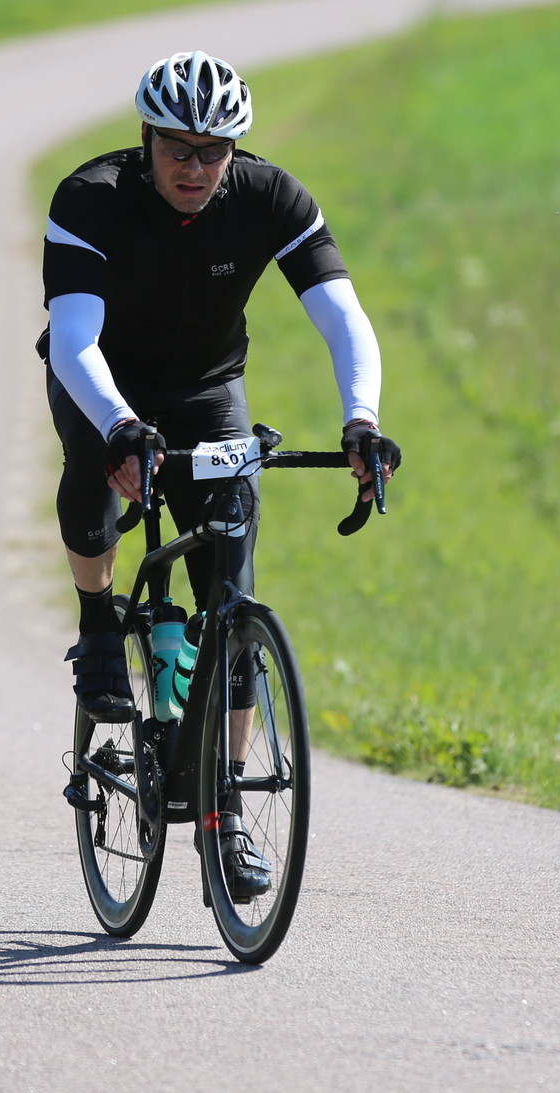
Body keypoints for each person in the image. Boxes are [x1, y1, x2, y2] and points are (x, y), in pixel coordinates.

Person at [40, 50, 398, 901]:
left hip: (207, 391)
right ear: (146, 138)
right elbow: (75, 339)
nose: (195, 168)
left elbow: (344, 316)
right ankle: (98, 623)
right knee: (94, 471)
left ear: (235, 150)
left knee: (231, 601)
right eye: (178, 149)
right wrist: (120, 426)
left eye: (213, 151)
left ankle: (224, 809)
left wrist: (362, 420)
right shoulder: (90, 198)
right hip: (103, 384)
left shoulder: (273, 197)